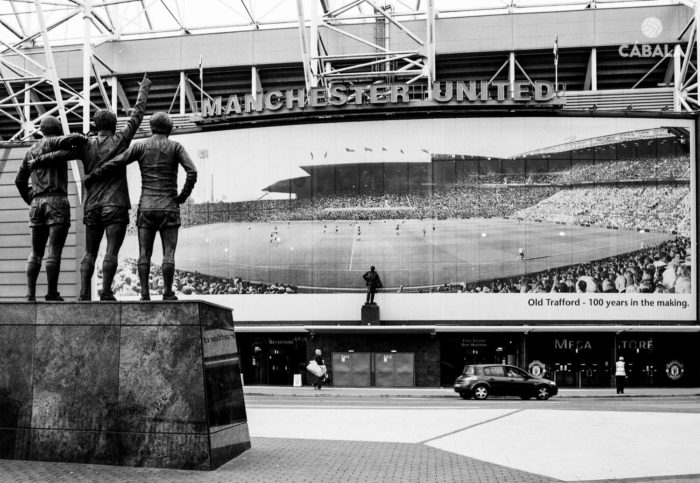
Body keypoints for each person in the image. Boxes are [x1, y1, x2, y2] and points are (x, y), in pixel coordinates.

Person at [29, 73, 152, 300]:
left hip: (92, 205)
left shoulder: (85, 145)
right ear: (114, 125)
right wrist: (144, 87)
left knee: (89, 252)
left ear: (96, 125)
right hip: (115, 204)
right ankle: (105, 291)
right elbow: (137, 114)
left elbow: (60, 154)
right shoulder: (121, 140)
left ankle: (85, 293)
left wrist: (38, 160)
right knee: (111, 252)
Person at [85, 112, 197, 301]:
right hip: (169, 206)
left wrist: (94, 174)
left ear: (152, 127)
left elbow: (117, 162)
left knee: (144, 253)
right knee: (168, 254)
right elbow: (192, 172)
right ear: (169, 128)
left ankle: (144, 294)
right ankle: (168, 292)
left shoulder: (140, 146)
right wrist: (182, 196)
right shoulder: (175, 146)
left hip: (146, 207)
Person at [15, 116, 81, 301]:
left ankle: (30, 294)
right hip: (57, 200)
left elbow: (19, 180)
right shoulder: (56, 143)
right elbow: (74, 139)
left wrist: (31, 198)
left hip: (37, 202)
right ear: (57, 128)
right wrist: (81, 137)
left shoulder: (30, 151)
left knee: (35, 252)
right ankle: (52, 292)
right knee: (54, 250)